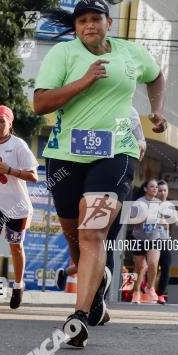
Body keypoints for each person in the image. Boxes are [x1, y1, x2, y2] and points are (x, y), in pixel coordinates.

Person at [33, 0, 167, 348]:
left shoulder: (129, 53)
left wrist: (156, 111)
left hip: (116, 151)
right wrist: (85, 81)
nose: (89, 25)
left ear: (109, 23)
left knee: (92, 231)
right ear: (76, 27)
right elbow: (40, 103)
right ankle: (96, 294)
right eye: (82, 21)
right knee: (75, 237)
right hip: (66, 155)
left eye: (96, 19)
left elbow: (156, 76)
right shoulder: (62, 55)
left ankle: (77, 317)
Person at [56, 106, 147, 290]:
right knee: (86, 240)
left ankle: (97, 299)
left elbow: (141, 143)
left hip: (115, 181)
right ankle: (82, 286)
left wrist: (137, 146)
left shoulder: (125, 111)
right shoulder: (80, 105)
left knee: (106, 241)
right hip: (84, 181)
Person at [0, 105, 39, 309]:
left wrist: (11, 170)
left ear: (10, 122)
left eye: (1, 121)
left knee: (16, 247)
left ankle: (18, 285)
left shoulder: (19, 145)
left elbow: (33, 176)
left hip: (17, 206)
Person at [131, 178, 162, 304]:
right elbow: (130, 219)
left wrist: (163, 221)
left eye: (156, 187)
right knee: (139, 268)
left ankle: (150, 288)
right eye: (152, 186)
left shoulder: (160, 203)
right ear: (145, 189)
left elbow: (164, 219)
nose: (155, 189)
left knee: (153, 263)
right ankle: (136, 292)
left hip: (154, 237)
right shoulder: (139, 202)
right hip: (138, 237)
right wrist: (143, 219)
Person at [155, 179, 174, 304]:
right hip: (152, 239)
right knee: (151, 266)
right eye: (160, 190)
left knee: (166, 266)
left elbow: (174, 221)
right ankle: (146, 289)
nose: (162, 193)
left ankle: (160, 294)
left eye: (164, 190)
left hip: (165, 240)